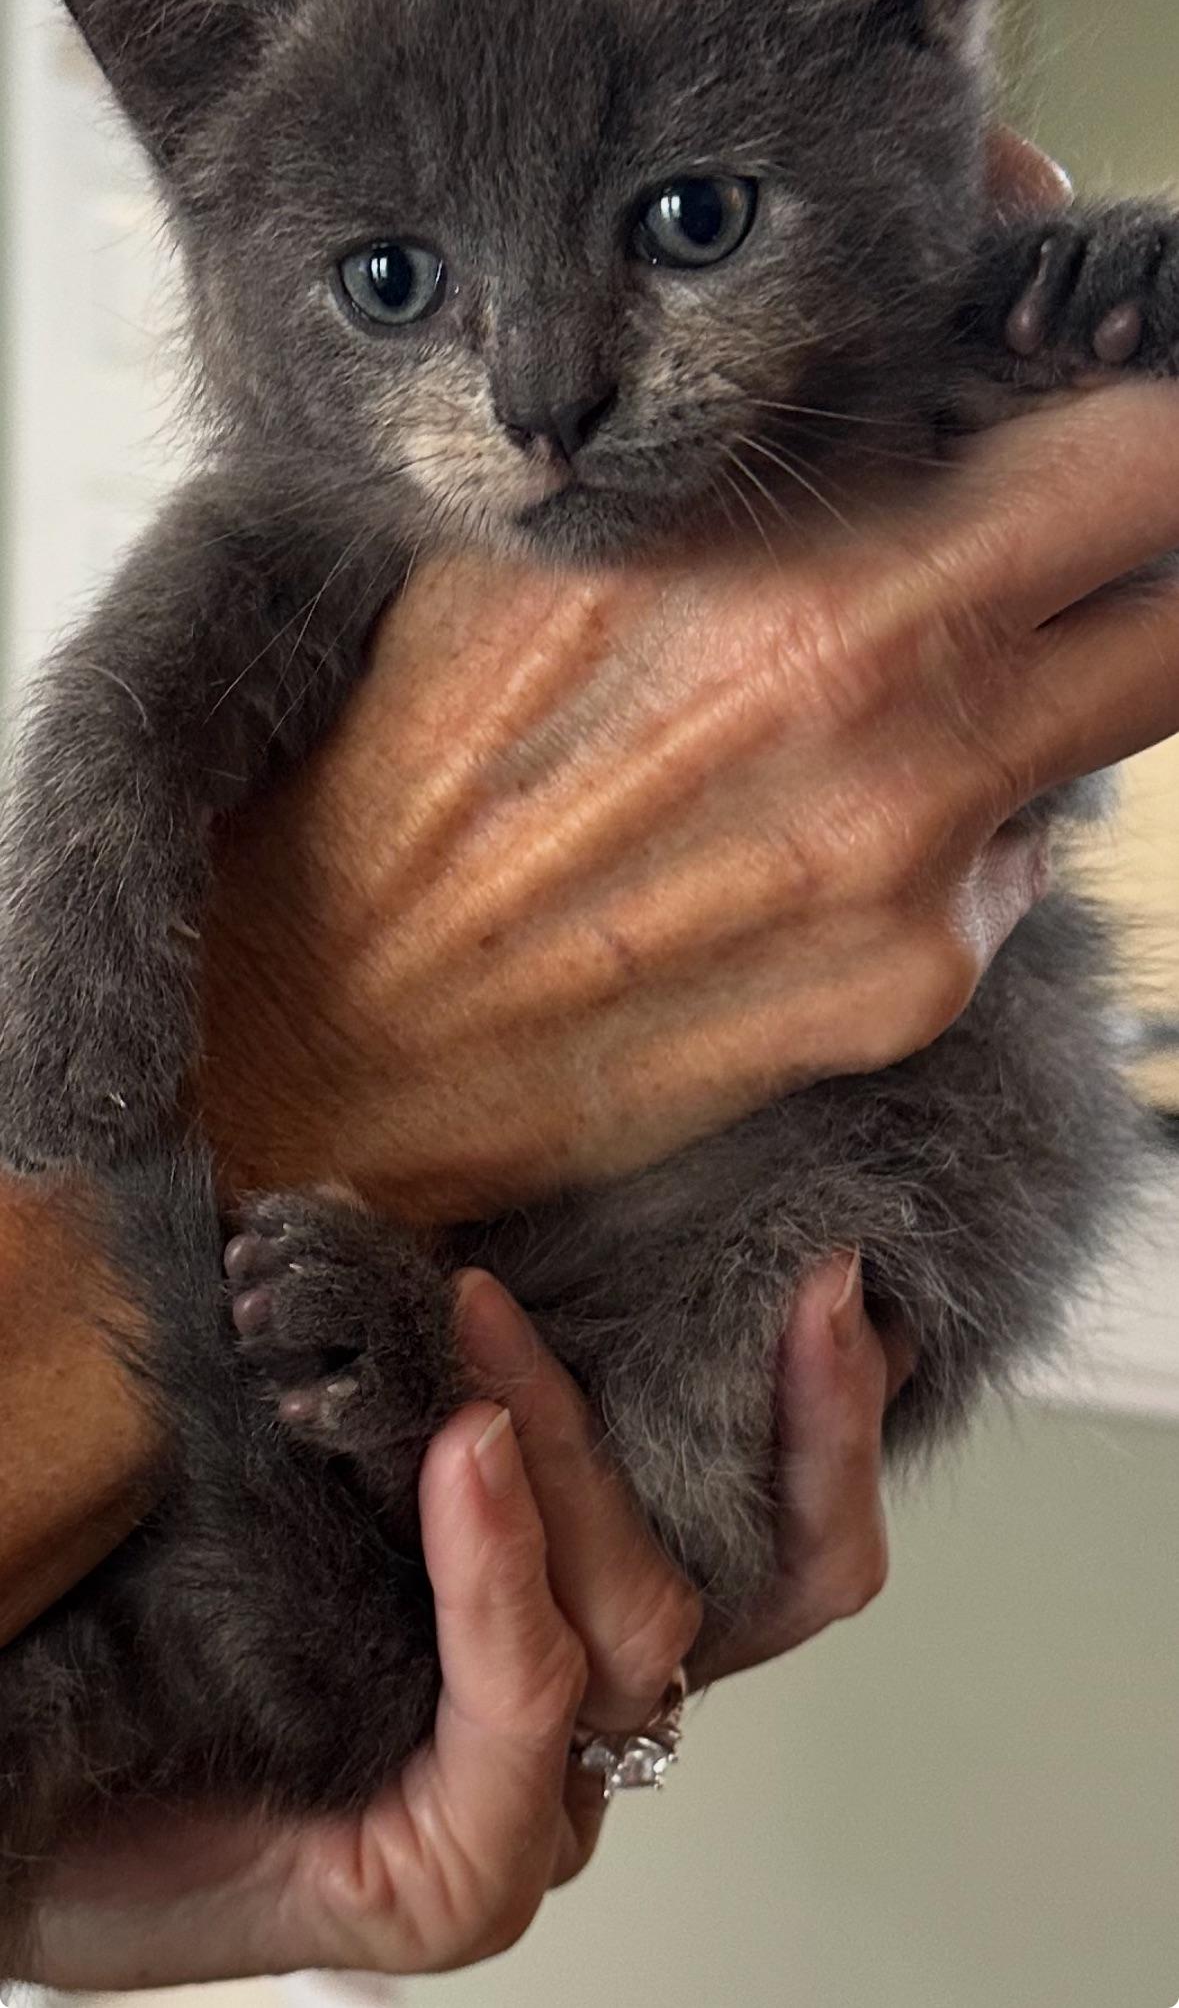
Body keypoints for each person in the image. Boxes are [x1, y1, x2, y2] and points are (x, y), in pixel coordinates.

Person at [10, 134, 1179, 1987]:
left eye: (694, 220)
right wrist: (266, 1055)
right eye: (396, 282)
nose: (547, 387)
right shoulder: (307, 484)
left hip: (693, 1282)